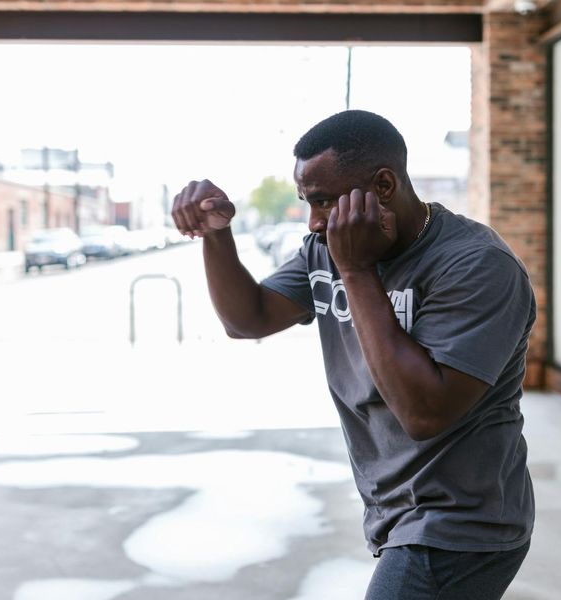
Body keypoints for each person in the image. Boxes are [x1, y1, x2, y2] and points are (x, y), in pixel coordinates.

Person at [171, 110, 537, 600]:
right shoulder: (327, 250)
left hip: (462, 523)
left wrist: (356, 272)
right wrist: (217, 235)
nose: (314, 221)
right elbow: (248, 319)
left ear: (383, 185)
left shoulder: (476, 265)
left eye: (323, 201)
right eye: (307, 201)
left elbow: (424, 413)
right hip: (397, 513)